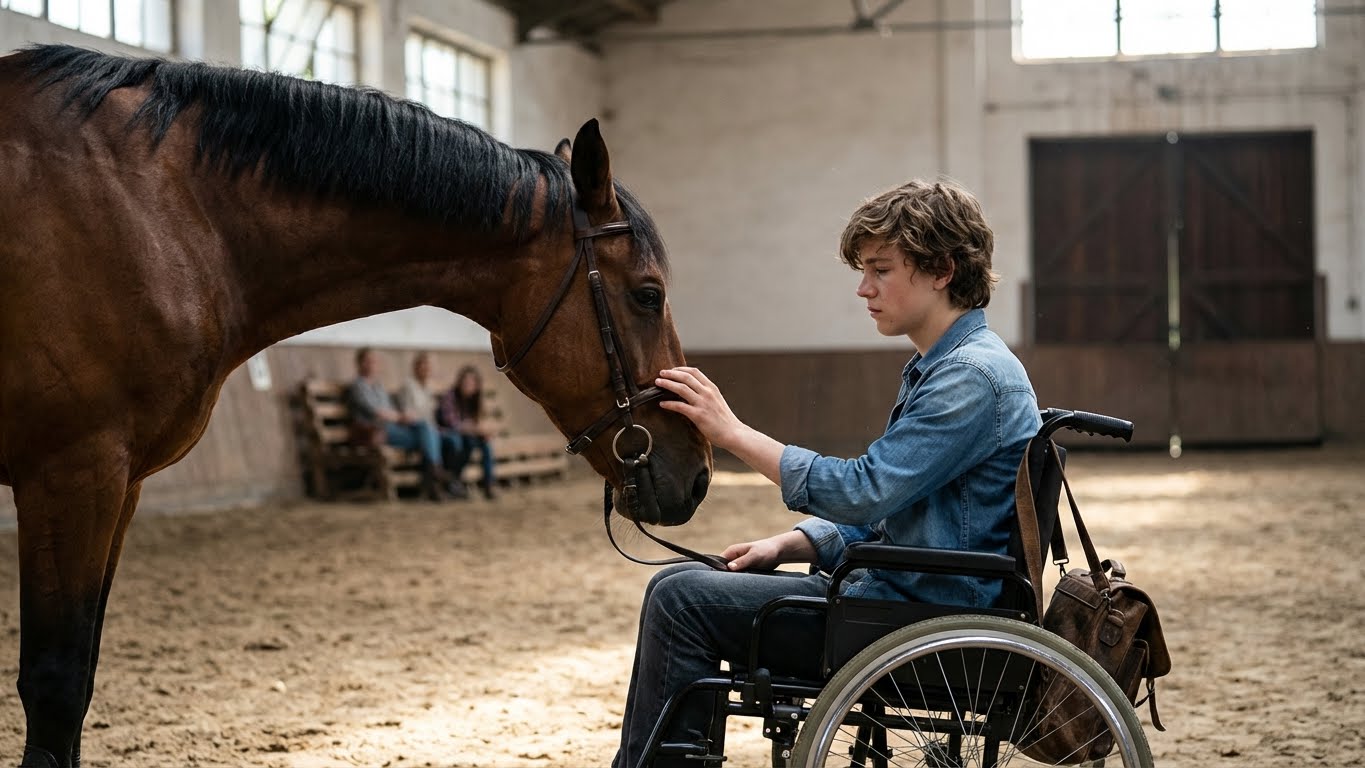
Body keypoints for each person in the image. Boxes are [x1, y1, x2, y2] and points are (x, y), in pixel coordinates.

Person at [612, 179, 1042, 768]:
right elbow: (897, 507)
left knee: (682, 601)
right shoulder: (945, 366)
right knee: (677, 584)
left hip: (919, 617)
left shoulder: (972, 377)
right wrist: (791, 543)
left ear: (941, 269)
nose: (864, 289)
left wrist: (733, 433)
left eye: (880, 270)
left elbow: (864, 491)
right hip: (909, 595)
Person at [347, 347, 452, 502]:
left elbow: (389, 410)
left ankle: (433, 479)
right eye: (368, 361)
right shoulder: (358, 386)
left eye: (375, 361)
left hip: (390, 429)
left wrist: (400, 417)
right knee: (426, 430)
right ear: (359, 363)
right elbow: (377, 412)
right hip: (374, 432)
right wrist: (401, 417)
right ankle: (435, 475)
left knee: (427, 432)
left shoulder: (378, 386)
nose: (372, 364)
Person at [396, 351, 469, 499]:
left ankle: (452, 482)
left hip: (432, 429)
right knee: (431, 433)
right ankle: (436, 482)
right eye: (423, 366)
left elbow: (433, 415)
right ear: (415, 367)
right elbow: (407, 414)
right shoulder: (407, 386)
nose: (426, 369)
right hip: (414, 430)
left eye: (429, 367)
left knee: (454, 440)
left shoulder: (429, 387)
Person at [437, 365, 498, 500]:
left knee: (486, 444)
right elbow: (452, 424)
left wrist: (482, 432)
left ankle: (489, 484)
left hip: (468, 436)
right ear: (459, 382)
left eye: (472, 383)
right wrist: (476, 429)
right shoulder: (450, 396)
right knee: (466, 442)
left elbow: (479, 422)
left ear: (477, 386)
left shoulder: (475, 400)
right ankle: (453, 480)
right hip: (448, 435)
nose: (468, 385)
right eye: (465, 382)